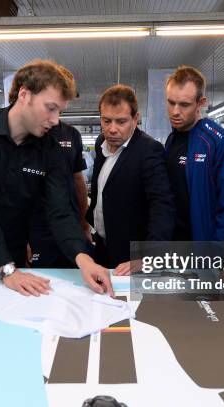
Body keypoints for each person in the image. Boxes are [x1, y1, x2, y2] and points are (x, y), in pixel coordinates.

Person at [0, 59, 113, 297]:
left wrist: (84, 258)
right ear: (25, 94)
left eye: (60, 111)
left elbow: (60, 211)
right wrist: (5, 268)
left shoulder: (51, 150)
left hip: (12, 265)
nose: (56, 119)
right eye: (50, 108)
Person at [86, 84, 175, 274]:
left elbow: (162, 207)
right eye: (106, 120)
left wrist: (149, 259)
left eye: (121, 121)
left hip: (132, 255)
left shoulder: (149, 150)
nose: (112, 129)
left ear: (135, 119)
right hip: (101, 246)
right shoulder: (101, 142)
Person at [164, 66, 224, 241]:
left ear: (201, 102)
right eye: (171, 102)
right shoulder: (172, 139)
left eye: (184, 104)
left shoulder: (218, 141)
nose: (175, 111)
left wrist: (218, 255)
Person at [28, 121, 91, 268]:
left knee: (74, 277)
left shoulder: (71, 134)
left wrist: (84, 226)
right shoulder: (25, 134)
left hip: (70, 224)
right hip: (36, 228)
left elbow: (78, 180)